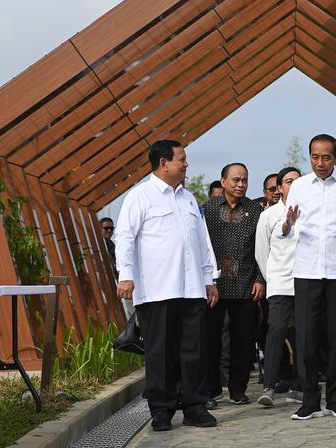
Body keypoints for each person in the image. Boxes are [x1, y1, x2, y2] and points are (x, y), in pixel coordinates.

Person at [113, 139, 219, 431]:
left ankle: (195, 407)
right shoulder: (140, 196)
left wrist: (209, 279)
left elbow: (202, 241)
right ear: (164, 163)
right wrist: (126, 275)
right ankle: (161, 410)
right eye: (181, 160)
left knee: (194, 351)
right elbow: (124, 238)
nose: (186, 165)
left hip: (192, 289)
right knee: (159, 353)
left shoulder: (188, 198)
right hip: (156, 289)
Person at [280, 134, 336, 420]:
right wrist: (288, 223)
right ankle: (309, 400)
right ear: (310, 157)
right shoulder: (299, 186)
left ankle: (335, 399)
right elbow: (286, 230)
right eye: (315, 157)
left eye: (326, 157)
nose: (320, 163)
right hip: (306, 270)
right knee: (306, 336)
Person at [199, 163, 264, 406]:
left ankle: (238, 389)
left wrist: (260, 279)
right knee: (210, 340)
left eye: (244, 180)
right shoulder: (208, 209)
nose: (240, 185)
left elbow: (263, 248)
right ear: (223, 181)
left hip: (246, 284)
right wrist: (206, 280)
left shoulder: (255, 211)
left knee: (244, 341)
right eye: (236, 180)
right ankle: (211, 390)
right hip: (214, 285)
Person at [255, 166, 303, 406]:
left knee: (303, 335)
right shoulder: (269, 215)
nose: (292, 185)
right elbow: (262, 252)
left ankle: (299, 386)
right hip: (280, 283)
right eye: (287, 181)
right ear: (280, 187)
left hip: (307, 282)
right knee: (276, 333)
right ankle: (269, 387)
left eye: (297, 180)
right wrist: (271, 277)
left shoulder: (311, 212)